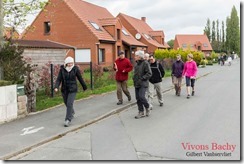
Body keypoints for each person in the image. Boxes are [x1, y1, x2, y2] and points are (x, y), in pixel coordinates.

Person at [54, 56, 87, 127]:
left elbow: (80, 78)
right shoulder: (62, 69)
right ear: (66, 63)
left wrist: (84, 86)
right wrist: (56, 87)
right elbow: (59, 79)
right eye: (69, 63)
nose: (70, 65)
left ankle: (68, 119)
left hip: (73, 89)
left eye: (71, 63)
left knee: (69, 103)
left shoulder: (75, 69)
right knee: (66, 103)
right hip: (64, 89)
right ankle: (72, 112)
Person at [133, 50, 152, 118]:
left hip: (143, 83)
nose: (135, 57)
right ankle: (141, 112)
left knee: (142, 97)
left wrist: (142, 78)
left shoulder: (145, 63)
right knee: (138, 98)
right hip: (136, 83)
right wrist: (134, 79)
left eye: (136, 56)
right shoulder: (136, 64)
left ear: (139, 56)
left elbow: (149, 73)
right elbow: (135, 73)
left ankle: (147, 107)